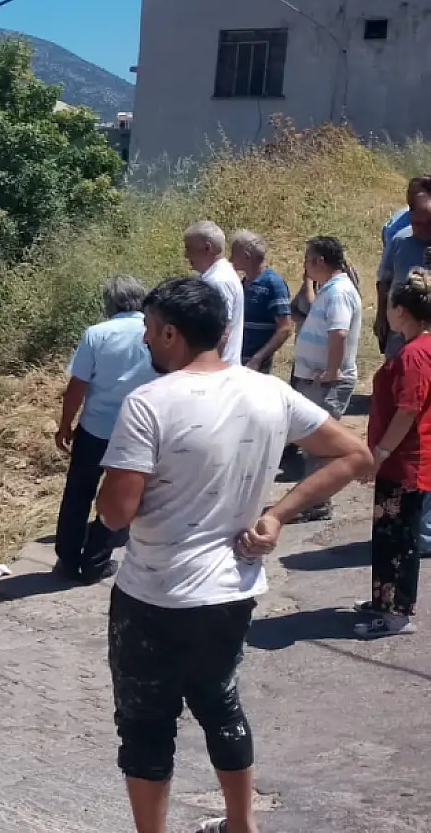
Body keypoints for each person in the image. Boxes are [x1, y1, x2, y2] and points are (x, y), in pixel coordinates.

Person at [96, 276, 369, 833]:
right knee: (220, 705)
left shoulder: (148, 403)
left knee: (146, 725)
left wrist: (107, 481)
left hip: (155, 592)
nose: (146, 341)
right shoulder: (267, 392)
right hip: (232, 589)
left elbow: (115, 514)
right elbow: (354, 454)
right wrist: (277, 515)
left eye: (149, 331)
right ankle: (240, 825)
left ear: (171, 333)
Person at [53, 276, 154, 585]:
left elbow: (78, 386)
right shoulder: (155, 332)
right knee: (122, 492)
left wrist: (65, 424)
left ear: (109, 304)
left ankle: (68, 560)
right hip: (137, 429)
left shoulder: (96, 334)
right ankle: (96, 561)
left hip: (95, 427)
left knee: (78, 493)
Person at [360, 267, 431, 638]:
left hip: (405, 462)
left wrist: (381, 451)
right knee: (388, 535)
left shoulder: (415, 356)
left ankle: (397, 612)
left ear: (401, 311)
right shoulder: (416, 349)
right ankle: (383, 600)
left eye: (389, 306)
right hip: (401, 460)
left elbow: (408, 409)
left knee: (400, 540)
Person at [291, 236, 363, 522]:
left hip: (328, 382)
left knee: (318, 444)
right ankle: (314, 501)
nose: (306, 266)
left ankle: (316, 504)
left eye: (308, 259)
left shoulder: (338, 292)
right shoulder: (330, 289)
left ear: (319, 261)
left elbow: (338, 333)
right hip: (318, 379)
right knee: (312, 443)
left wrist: (332, 372)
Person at [376, 175, 431, 356]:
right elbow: (385, 281)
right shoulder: (400, 240)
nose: (423, 229)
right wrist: (381, 317)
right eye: (418, 224)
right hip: (399, 334)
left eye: (429, 224)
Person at [229, 230, 293, 373]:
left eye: (234, 254)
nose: (230, 259)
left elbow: (285, 327)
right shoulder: (243, 283)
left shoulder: (273, 283)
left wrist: (258, 358)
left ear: (247, 256)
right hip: (236, 361)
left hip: (254, 367)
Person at [184, 221, 245, 366]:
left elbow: (222, 331)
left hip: (217, 373)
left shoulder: (217, 281)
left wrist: (206, 367)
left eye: (189, 248)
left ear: (207, 248)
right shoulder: (221, 275)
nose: (186, 255)